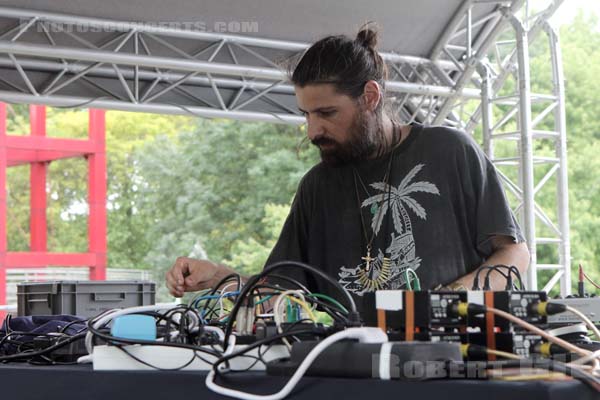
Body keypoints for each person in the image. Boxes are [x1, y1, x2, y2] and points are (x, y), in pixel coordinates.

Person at [165, 25, 530, 316]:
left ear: (370, 97)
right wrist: (217, 276)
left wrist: (448, 301)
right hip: (353, 373)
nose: (312, 131)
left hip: (452, 363)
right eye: (306, 115)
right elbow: (279, 292)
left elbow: (514, 255)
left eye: (327, 113)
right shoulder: (317, 187)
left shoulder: (450, 150)